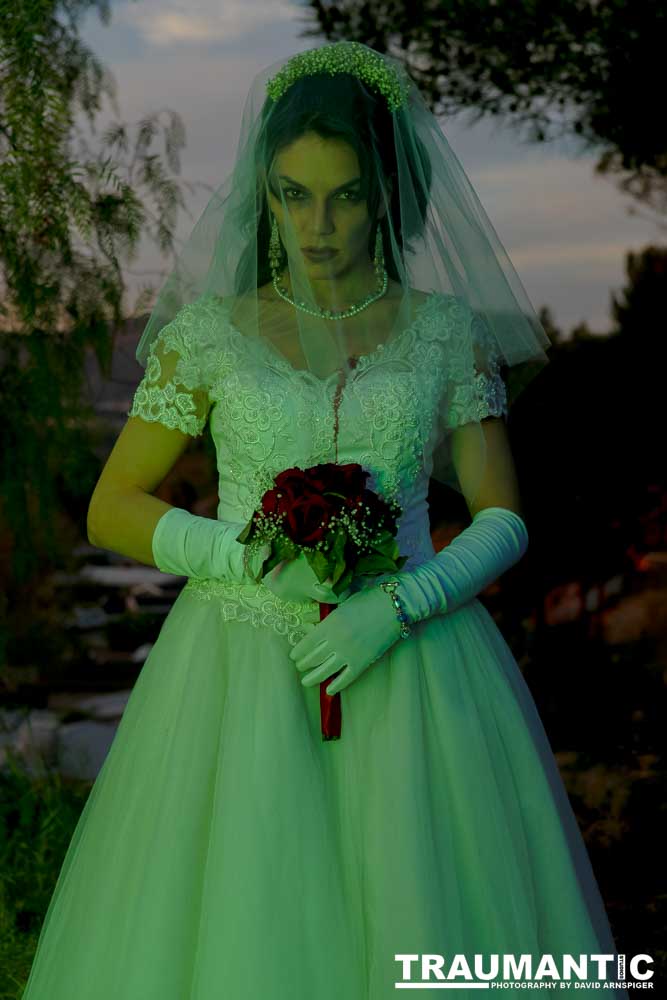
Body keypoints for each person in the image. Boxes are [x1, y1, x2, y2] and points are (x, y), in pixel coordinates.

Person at [20, 42, 630, 999]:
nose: (315, 223)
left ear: (387, 192)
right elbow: (111, 506)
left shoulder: (444, 333)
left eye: (343, 195)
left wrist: (399, 604)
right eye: (292, 193)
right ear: (263, 191)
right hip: (236, 672)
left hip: (417, 664)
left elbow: (504, 517)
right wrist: (249, 557)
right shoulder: (208, 337)